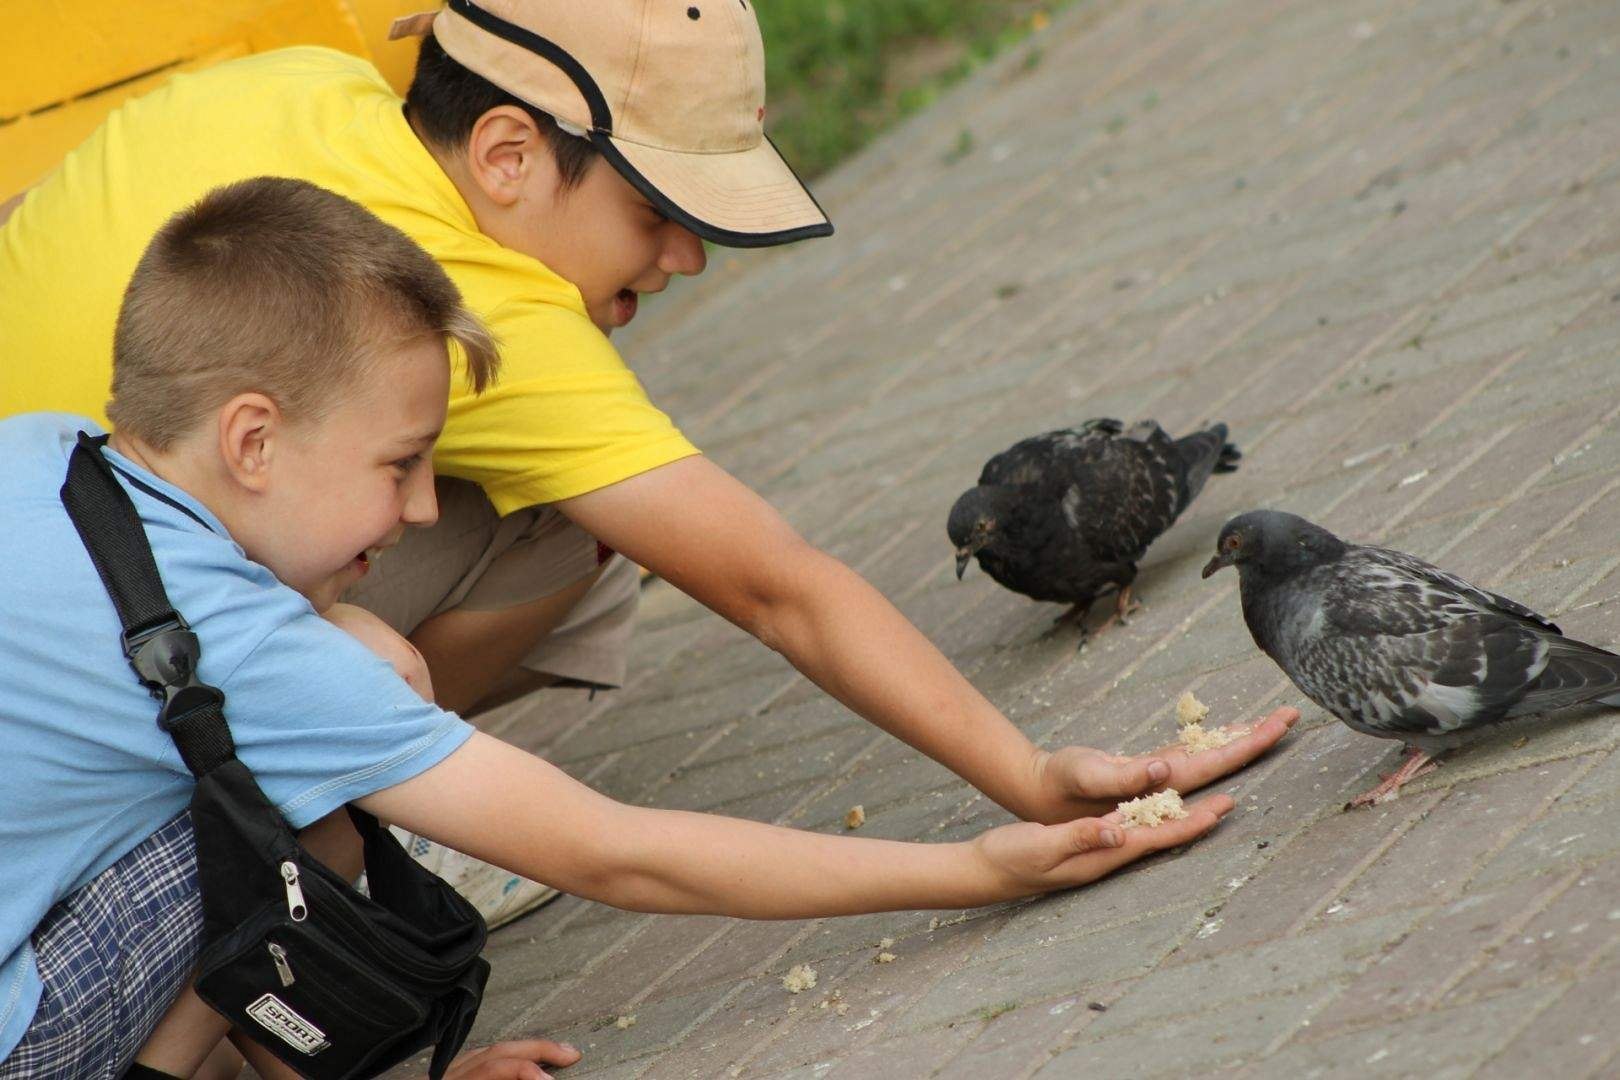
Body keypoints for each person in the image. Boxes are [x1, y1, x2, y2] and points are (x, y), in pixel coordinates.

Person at [0, 0, 1294, 924]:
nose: (686, 262)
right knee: (566, 548)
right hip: (68, 825)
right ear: (508, 155)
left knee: (551, 512)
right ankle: (373, 790)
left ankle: (340, 804)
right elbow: (772, 587)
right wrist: (1027, 788)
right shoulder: (480, 301)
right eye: (660, 212)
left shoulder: (302, 83)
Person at [0, 176, 1290, 1079]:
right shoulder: (233, 642)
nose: (421, 505)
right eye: (400, 464)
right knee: (319, 734)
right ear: (254, 440)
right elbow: (617, 855)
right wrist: (981, 869)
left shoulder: (45, 449)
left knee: (288, 726)